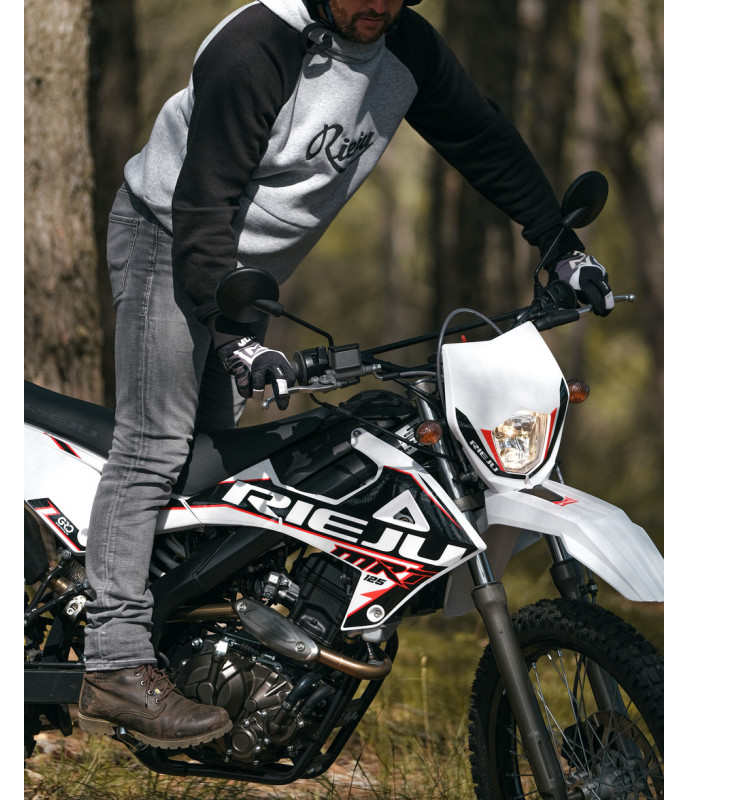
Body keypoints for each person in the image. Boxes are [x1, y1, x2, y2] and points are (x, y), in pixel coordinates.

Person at [77, 0, 614, 748]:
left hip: (246, 270)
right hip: (171, 236)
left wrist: (559, 244)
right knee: (158, 441)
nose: (377, 7)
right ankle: (113, 659)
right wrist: (235, 340)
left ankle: (190, 652)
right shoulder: (255, 48)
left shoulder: (407, 47)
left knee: (211, 459)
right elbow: (203, 204)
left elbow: (481, 138)